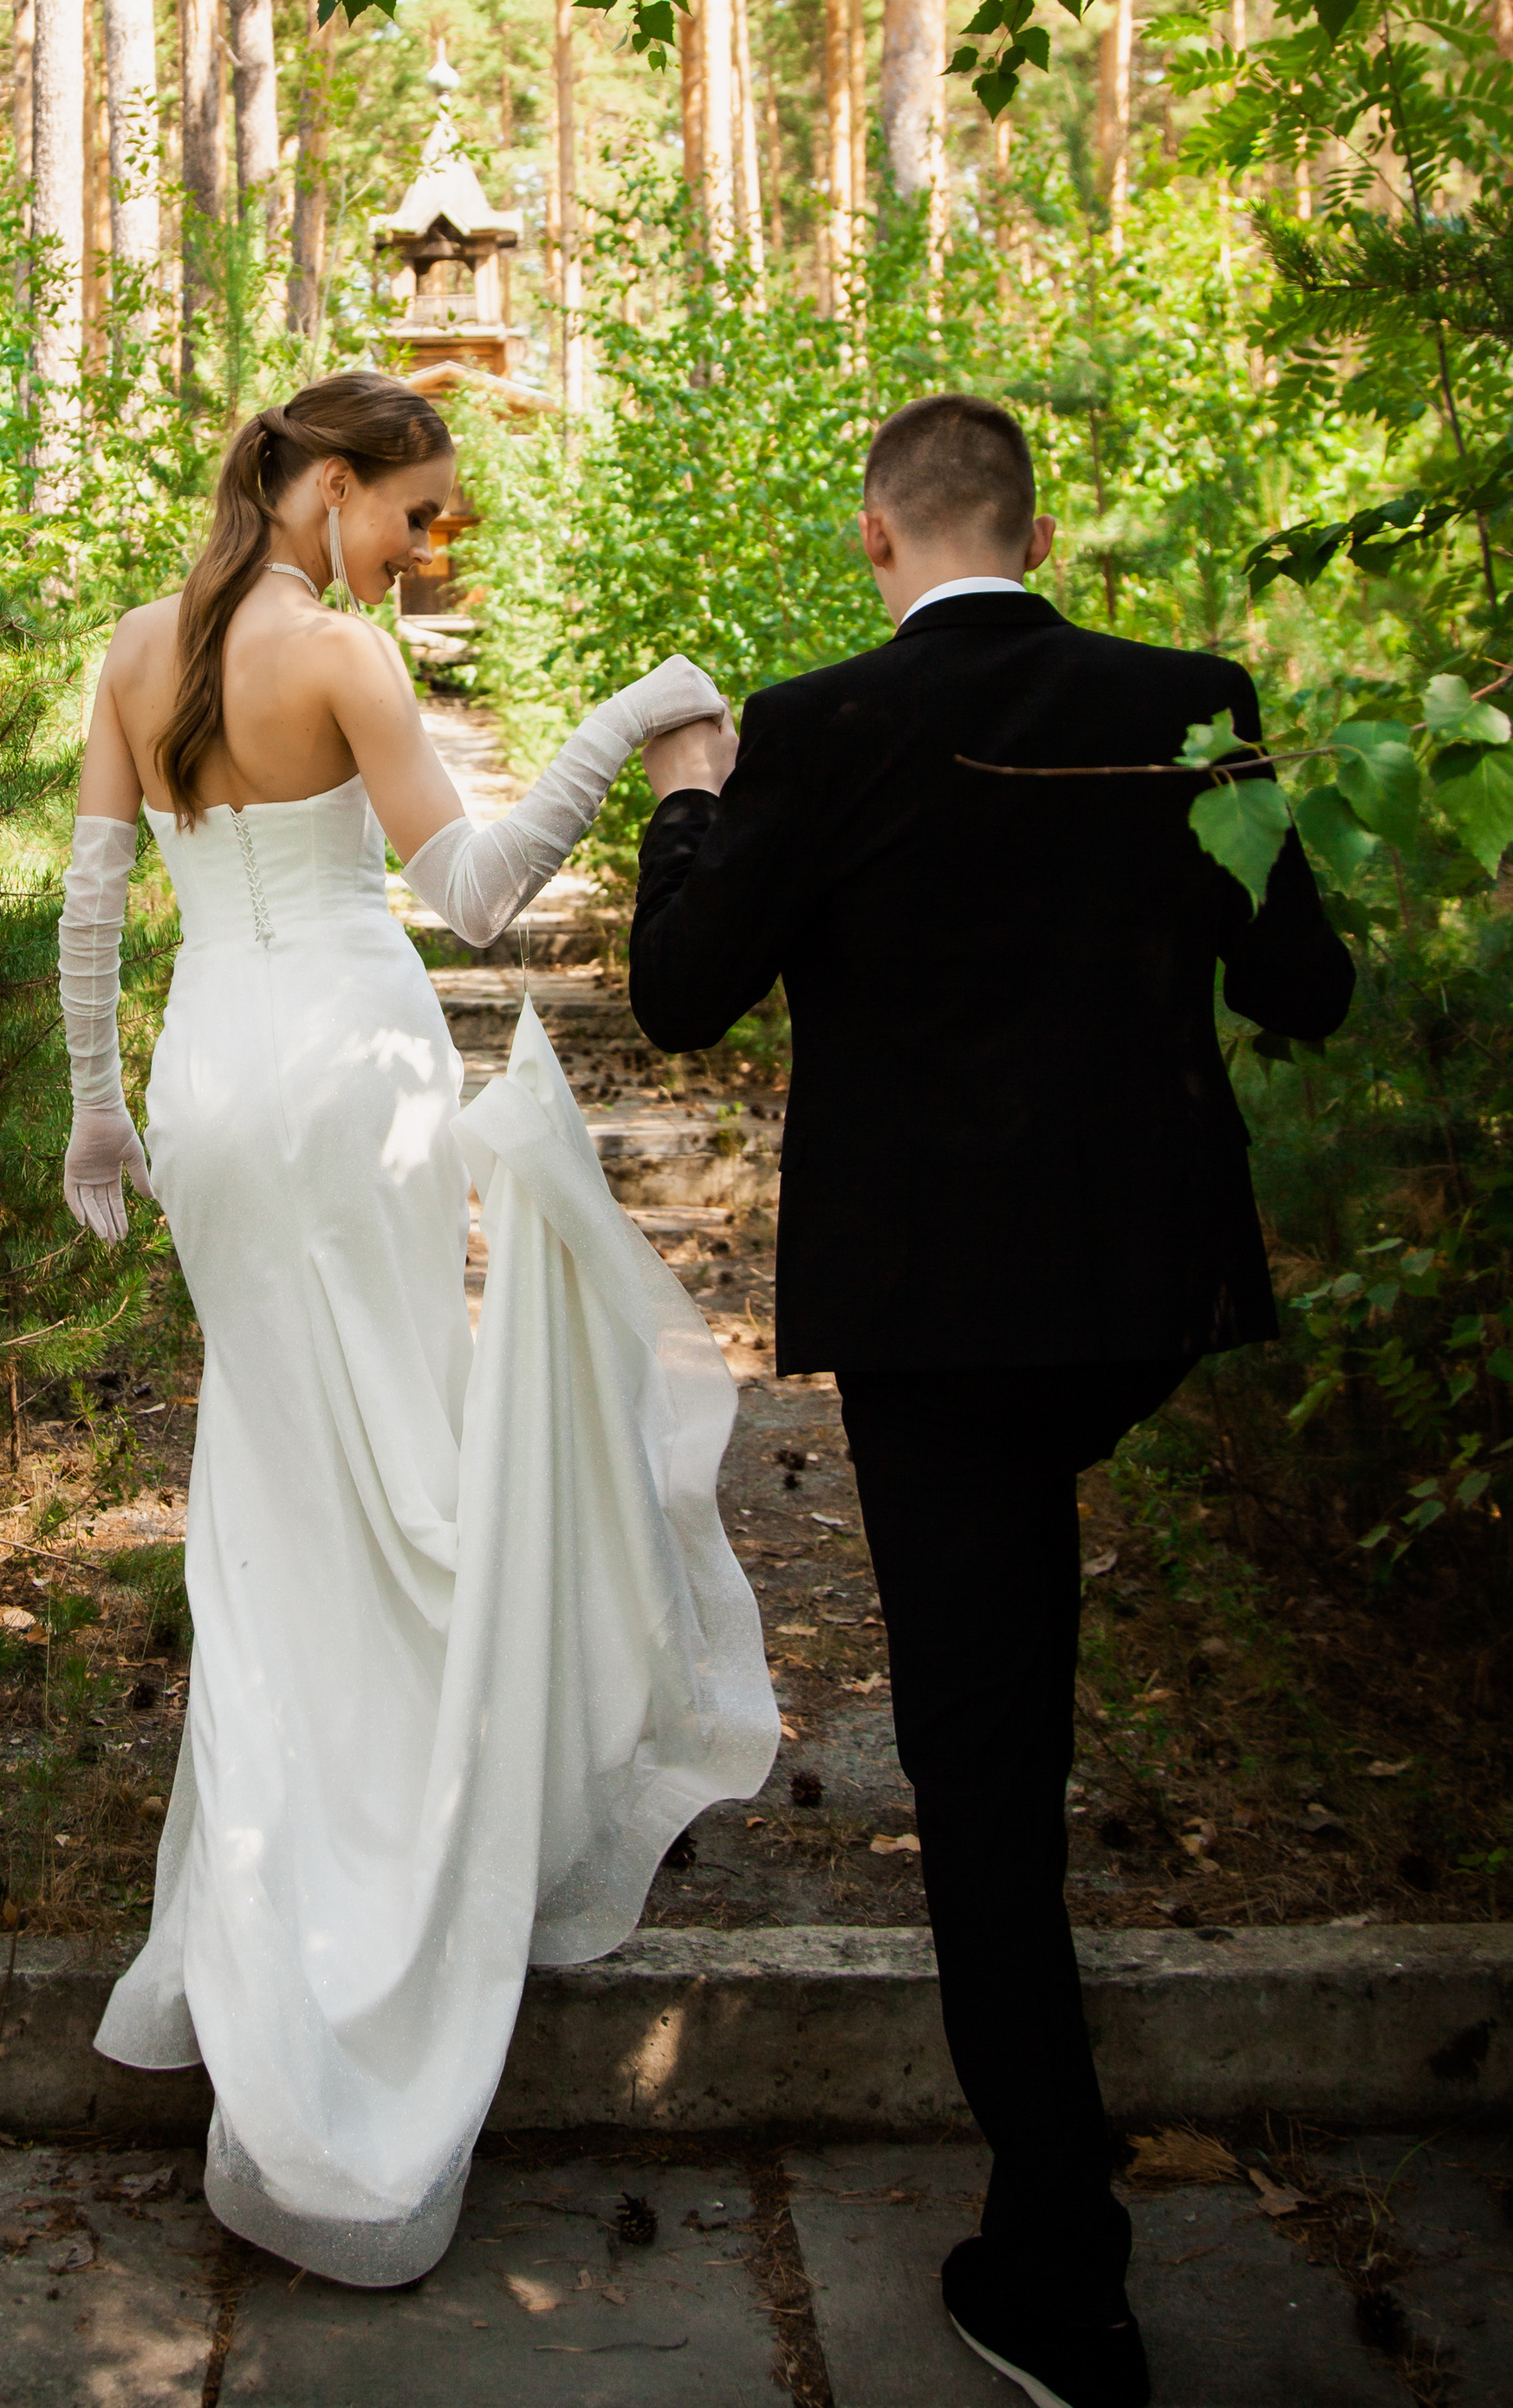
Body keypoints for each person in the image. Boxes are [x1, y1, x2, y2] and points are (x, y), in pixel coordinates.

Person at [627, 392, 1354, 2408]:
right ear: (1035, 530)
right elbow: (1308, 989)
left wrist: (693, 791)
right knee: (1011, 1637)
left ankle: (1059, 2257)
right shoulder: (1188, 700)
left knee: (982, 1764)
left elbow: (679, 985)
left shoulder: (820, 720)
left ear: (877, 538)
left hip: (938, 1322)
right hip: (1131, 1298)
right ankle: (1049, 2224)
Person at [59, 370, 776, 2288]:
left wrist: (96, 1101)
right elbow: (466, 899)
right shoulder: (346, 658)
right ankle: (385, 1863)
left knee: (277, 1460)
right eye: (410, 509)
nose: (416, 544)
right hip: (347, 1067)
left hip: (210, 1074)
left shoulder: (134, 650)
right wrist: (632, 720)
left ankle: (267, 1886)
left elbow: (91, 894)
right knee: (391, 1450)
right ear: (322, 478)